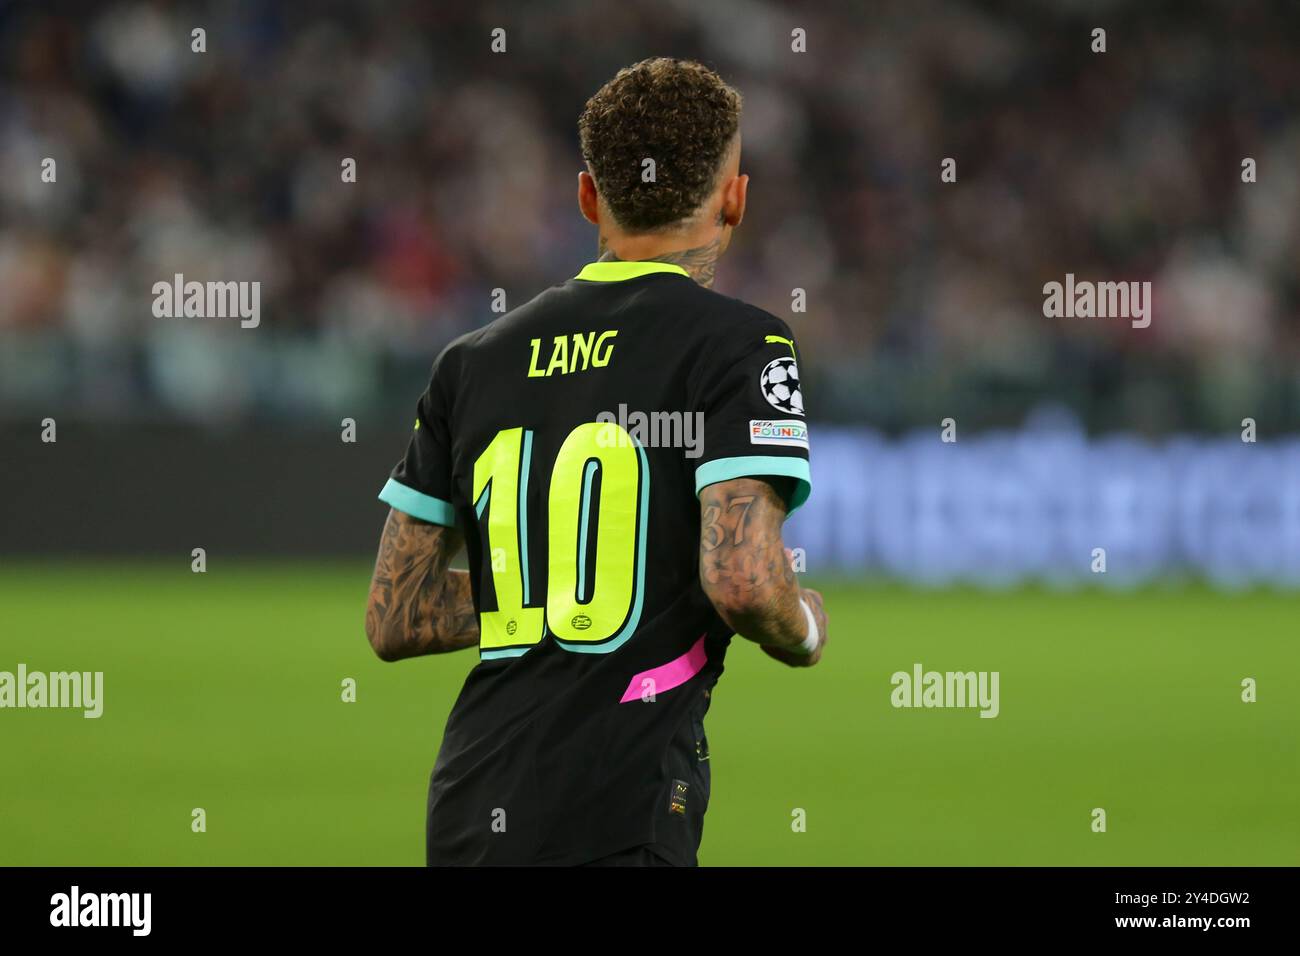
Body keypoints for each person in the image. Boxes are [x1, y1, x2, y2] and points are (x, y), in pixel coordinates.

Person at [364, 57, 827, 866]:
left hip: (472, 805)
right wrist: (808, 627)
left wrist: (551, 593)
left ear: (587, 196)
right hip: (620, 806)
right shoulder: (739, 345)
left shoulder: (471, 362)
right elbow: (745, 581)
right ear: (735, 198)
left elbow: (394, 615)